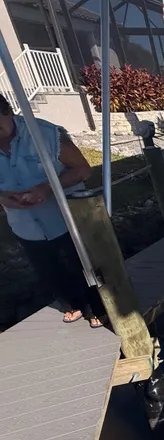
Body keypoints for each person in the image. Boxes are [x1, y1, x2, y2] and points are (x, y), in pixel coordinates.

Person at [0, 95, 105, 327]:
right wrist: (4, 198)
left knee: (83, 265)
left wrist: (47, 189)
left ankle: (97, 308)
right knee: (49, 271)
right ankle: (72, 305)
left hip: (65, 218)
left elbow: (83, 170)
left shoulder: (45, 133)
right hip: (25, 225)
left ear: (7, 110)